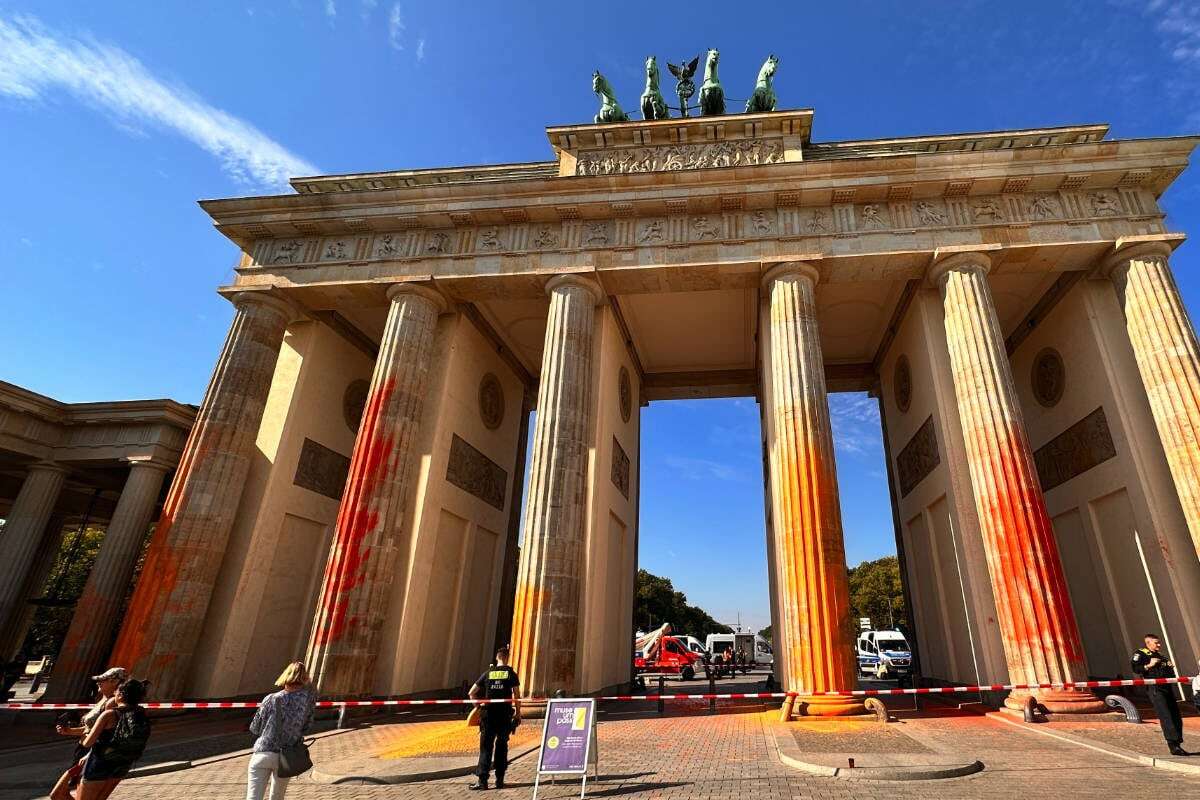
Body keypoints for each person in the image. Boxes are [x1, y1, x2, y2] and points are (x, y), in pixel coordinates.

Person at [53, 678, 152, 800]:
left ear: (121, 695)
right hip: (123, 764)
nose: (114, 694)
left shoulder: (109, 715)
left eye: (116, 692)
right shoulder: (140, 714)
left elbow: (88, 742)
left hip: (99, 763)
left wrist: (70, 732)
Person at [49, 668, 126, 798]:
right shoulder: (102, 699)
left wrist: (90, 754)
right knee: (60, 794)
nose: (98, 682)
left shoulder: (112, 703)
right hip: (83, 749)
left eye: (103, 680)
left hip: (92, 752)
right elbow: (90, 729)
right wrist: (68, 731)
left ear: (115, 682)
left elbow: (105, 733)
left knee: (59, 794)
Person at [247, 661, 316, 800]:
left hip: (263, 753)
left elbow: (255, 728)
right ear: (304, 678)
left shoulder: (271, 698)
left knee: (253, 797)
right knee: (277, 797)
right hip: (287, 756)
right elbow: (307, 726)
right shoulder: (309, 700)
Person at [468, 645, 521, 791]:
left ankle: (482, 781)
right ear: (507, 657)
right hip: (504, 715)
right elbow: (517, 695)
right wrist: (518, 713)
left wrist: (478, 708)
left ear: (497, 657)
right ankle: (499, 779)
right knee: (502, 746)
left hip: (488, 715)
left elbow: (471, 693)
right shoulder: (511, 674)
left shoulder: (488, 673)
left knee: (486, 748)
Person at [1131, 634, 1188, 756]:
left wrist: (1170, 667)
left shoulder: (1161, 656)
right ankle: (1173, 745)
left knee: (1175, 715)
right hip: (1155, 689)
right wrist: (1148, 665)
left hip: (1167, 688)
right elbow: (1136, 669)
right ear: (1148, 643)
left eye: (1159, 642)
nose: (1159, 645)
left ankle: (1177, 741)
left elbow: (1169, 672)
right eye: (1156, 643)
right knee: (1166, 715)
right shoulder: (1141, 654)